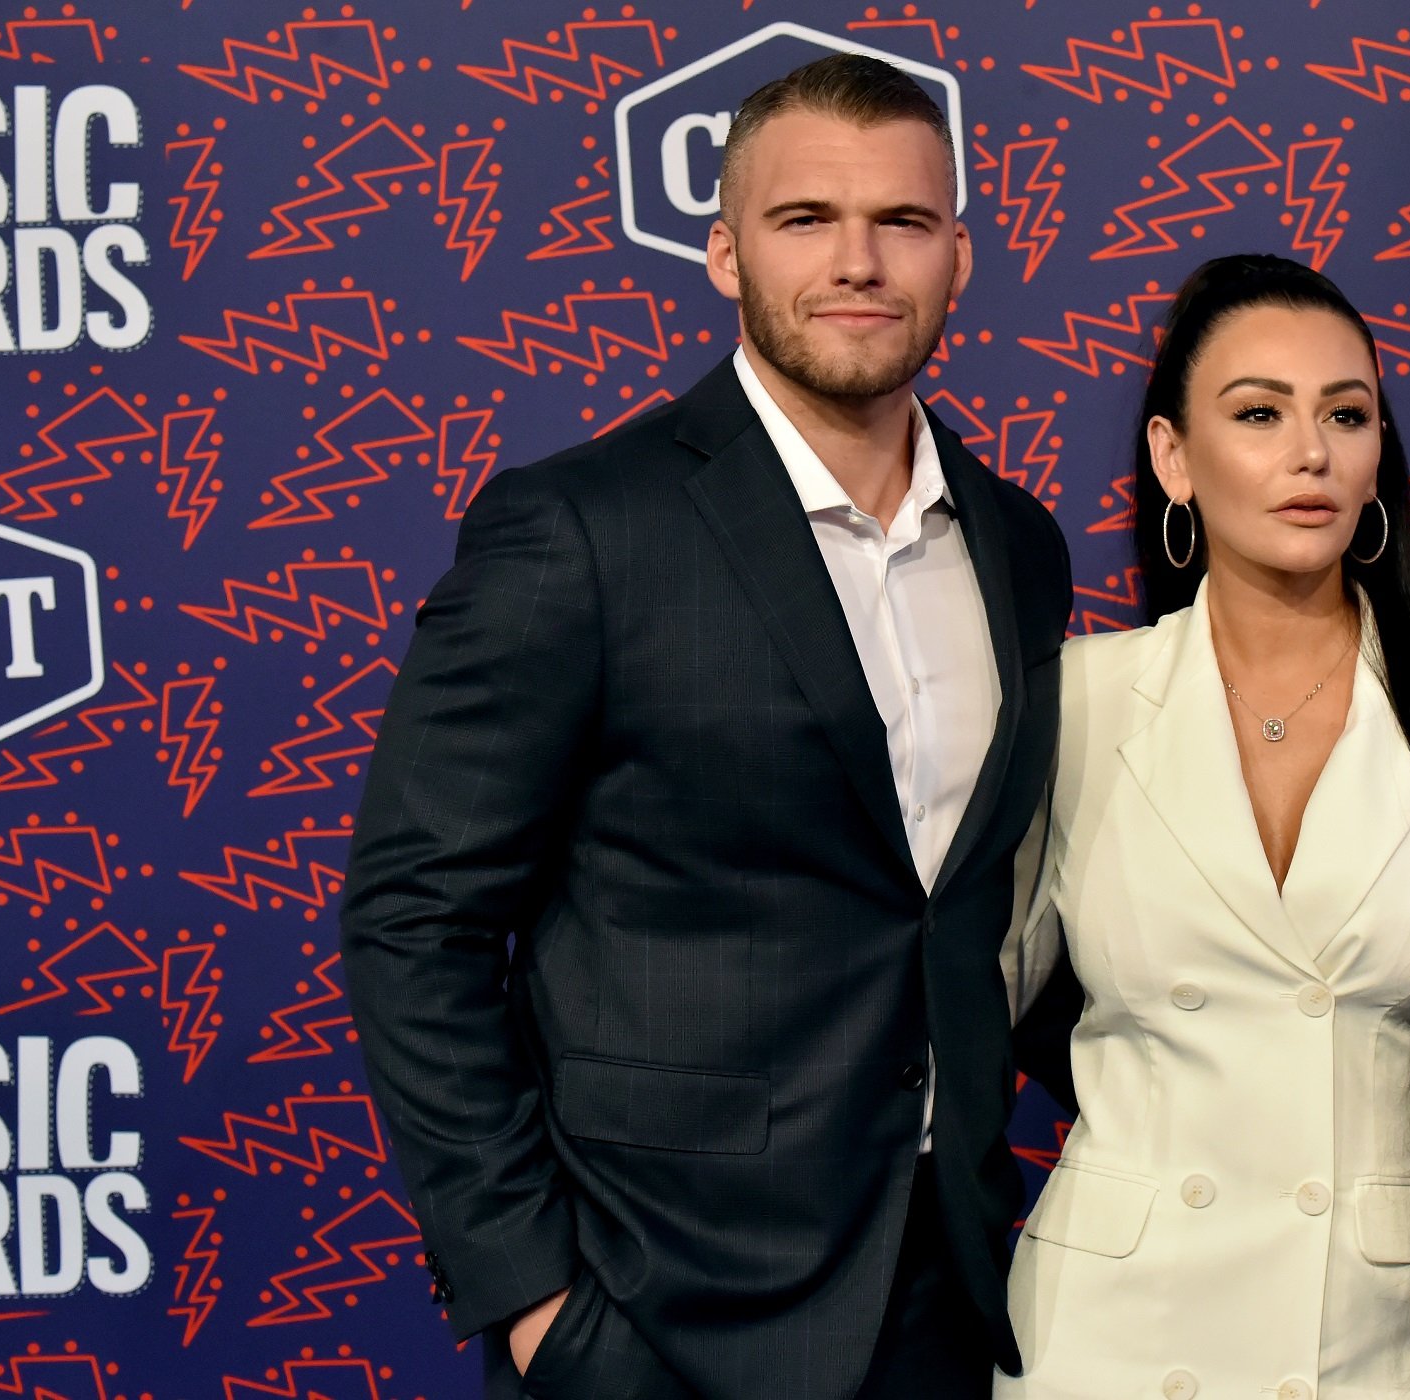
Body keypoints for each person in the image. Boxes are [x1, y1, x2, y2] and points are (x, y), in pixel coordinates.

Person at [340, 54, 1071, 1400]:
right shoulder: (579, 532)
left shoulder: (1018, 545)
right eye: (806, 221)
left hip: (951, 1293)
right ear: (726, 254)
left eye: (901, 223)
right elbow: (413, 924)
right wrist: (535, 1299)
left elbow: (995, 917)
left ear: (958, 257)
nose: (858, 261)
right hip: (655, 1313)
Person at [997, 254, 1410, 1400]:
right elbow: (969, 1018)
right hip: (1106, 1341)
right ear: (1174, 456)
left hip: (1382, 1347)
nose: (1310, 451)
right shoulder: (1079, 701)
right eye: (1260, 412)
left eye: (1347, 413)